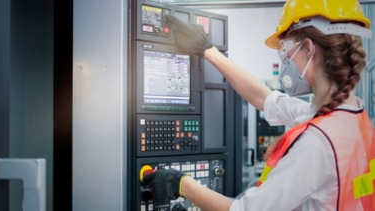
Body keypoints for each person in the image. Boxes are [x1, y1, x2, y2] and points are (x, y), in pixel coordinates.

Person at [142, 0, 375, 210]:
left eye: (285, 50)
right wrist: (208, 51)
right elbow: (267, 99)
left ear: (308, 48)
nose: (284, 60)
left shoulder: (317, 142)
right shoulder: (354, 119)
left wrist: (181, 183)